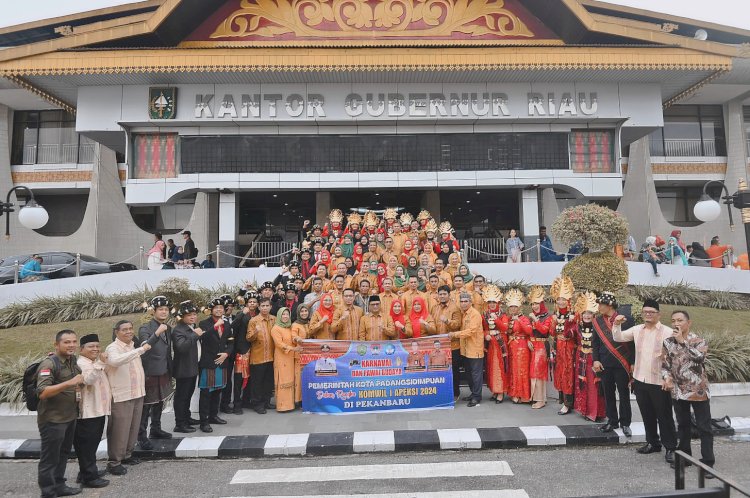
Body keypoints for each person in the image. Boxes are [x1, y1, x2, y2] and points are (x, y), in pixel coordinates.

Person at [614, 299, 677, 464]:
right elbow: (619, 337)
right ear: (642, 314)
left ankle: (670, 447)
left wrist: (670, 378)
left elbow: (675, 357)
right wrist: (616, 324)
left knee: (664, 416)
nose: (648, 314)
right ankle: (653, 443)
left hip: (659, 382)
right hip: (640, 380)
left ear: (658, 314)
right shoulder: (637, 330)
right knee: (647, 415)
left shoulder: (668, 332)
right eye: (645, 312)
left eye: (652, 312)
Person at [662, 310, 715, 475]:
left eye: (680, 320)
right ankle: (685, 457)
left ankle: (707, 462)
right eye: (673, 320)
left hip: (698, 390)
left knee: (704, 427)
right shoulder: (668, 342)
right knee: (683, 425)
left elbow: (700, 358)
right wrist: (667, 378)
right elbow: (665, 364)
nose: (676, 323)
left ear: (688, 323)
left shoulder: (699, 340)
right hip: (678, 391)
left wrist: (683, 342)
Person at [36, 330, 84, 498]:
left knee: (63, 454)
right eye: (66, 342)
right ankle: (48, 492)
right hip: (53, 420)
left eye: (74, 341)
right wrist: (70, 382)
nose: (71, 345)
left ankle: (59, 486)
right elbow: (43, 392)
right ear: (57, 345)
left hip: (69, 416)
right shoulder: (49, 364)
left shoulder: (72, 360)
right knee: (50, 458)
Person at [105, 320, 150, 476]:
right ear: (116, 332)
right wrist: (140, 350)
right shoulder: (113, 348)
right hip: (122, 395)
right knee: (119, 429)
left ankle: (127, 455)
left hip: (137, 392)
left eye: (131, 329)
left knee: (133, 427)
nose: (129, 332)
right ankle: (114, 462)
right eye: (125, 329)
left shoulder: (132, 346)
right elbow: (115, 361)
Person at [592, 292, 633, 437]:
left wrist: (632, 362)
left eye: (601, 304)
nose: (599, 307)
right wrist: (595, 360)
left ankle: (626, 423)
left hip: (622, 362)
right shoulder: (597, 321)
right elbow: (595, 343)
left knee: (623, 394)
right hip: (604, 363)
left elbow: (632, 343)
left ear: (609, 305)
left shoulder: (625, 319)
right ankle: (612, 420)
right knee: (608, 393)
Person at [74, 334, 110, 489]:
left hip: (98, 410)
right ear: (82, 349)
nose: (95, 349)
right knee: (86, 446)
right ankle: (89, 477)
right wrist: (101, 362)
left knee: (92, 444)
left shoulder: (93, 362)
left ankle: (85, 473)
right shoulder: (81, 364)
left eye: (97, 346)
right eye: (91, 346)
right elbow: (88, 380)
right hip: (87, 413)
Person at [137, 296, 173, 451]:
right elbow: (145, 346)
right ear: (154, 311)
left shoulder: (168, 328)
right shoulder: (145, 328)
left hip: (163, 369)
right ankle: (141, 436)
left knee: (160, 401)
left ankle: (156, 429)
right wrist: (157, 333)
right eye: (161, 309)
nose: (164, 312)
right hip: (149, 371)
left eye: (166, 309)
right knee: (147, 405)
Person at [197, 298, 234, 432]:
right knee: (206, 392)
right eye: (216, 308)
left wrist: (226, 354)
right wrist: (215, 327)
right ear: (211, 310)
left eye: (221, 308)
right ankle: (204, 421)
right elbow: (203, 338)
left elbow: (231, 342)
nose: (219, 310)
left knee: (218, 390)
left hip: (222, 362)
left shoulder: (227, 324)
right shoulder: (204, 323)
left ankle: (213, 415)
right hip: (208, 362)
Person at [573, 292, 606, 422]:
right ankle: (585, 411)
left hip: (594, 358)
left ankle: (596, 412)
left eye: (589, 313)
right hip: (581, 358)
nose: (587, 315)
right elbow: (567, 335)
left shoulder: (598, 327)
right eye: (584, 313)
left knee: (595, 386)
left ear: (594, 314)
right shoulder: (577, 327)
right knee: (583, 383)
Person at [171, 301, 204, 433]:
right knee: (182, 396)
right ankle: (180, 423)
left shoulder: (191, 327)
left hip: (192, 367)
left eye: (194, 314)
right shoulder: (179, 330)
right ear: (182, 317)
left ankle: (187, 417)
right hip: (183, 369)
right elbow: (182, 347)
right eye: (189, 315)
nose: (192, 317)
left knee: (188, 395)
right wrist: (195, 334)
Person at [450, 292, 484, 407]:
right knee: (469, 374)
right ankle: (473, 393)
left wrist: (455, 334)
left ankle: (477, 397)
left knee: (476, 374)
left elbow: (471, 331)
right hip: (465, 350)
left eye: (466, 301)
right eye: (462, 301)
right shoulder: (464, 314)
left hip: (475, 349)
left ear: (471, 302)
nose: (463, 304)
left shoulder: (475, 314)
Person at [550, 275, 577, 415]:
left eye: (563, 299)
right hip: (559, 349)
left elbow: (575, 332)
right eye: (559, 299)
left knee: (569, 374)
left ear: (568, 301)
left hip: (569, 349)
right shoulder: (555, 315)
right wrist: (554, 322)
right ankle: (563, 401)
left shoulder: (574, 315)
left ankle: (569, 403)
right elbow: (552, 333)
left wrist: (570, 324)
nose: (561, 302)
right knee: (560, 373)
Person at [500, 289, 532, 404]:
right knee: (513, 369)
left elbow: (529, 331)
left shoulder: (524, 318)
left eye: (515, 306)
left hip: (522, 347)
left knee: (521, 370)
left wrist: (518, 320)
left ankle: (522, 394)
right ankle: (514, 393)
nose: (513, 308)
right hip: (511, 346)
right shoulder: (508, 318)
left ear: (519, 307)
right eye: (511, 306)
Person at [431, 285, 462, 399]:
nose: (442, 296)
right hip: (438, 346)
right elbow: (432, 323)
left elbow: (457, 325)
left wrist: (447, 321)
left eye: (445, 294)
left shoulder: (455, 308)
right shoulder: (434, 308)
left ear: (449, 295)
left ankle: (455, 393)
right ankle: (441, 392)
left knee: (453, 370)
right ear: (438, 295)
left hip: (452, 346)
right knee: (439, 370)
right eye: (440, 294)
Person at [230, 290, 258, 413]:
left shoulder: (259, 314)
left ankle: (247, 401)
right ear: (246, 303)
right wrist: (241, 314)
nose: (252, 304)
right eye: (250, 302)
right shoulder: (240, 314)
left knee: (252, 378)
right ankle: (237, 403)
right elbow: (233, 328)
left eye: (254, 302)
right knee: (239, 379)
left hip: (256, 351)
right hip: (242, 351)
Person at [247, 298, 276, 414]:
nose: (264, 308)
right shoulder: (253, 321)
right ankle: (257, 404)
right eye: (262, 306)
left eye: (266, 305)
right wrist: (255, 332)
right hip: (258, 357)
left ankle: (267, 402)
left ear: (270, 307)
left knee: (268, 382)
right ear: (259, 307)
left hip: (272, 356)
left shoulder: (274, 319)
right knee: (257, 382)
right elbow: (248, 338)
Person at [270, 308, 302, 412]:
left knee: (290, 380)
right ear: (279, 316)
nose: (285, 316)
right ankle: (282, 405)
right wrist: (294, 349)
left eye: (287, 314)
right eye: (283, 314)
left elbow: (293, 338)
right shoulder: (276, 328)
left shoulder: (289, 327)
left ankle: (290, 404)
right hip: (281, 358)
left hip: (290, 358)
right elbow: (279, 344)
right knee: (282, 380)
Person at [482, 285, 508, 404]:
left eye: (494, 302)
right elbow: (483, 328)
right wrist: (485, 334)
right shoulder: (485, 315)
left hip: (500, 343)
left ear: (498, 303)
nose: (492, 304)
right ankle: (494, 390)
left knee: (499, 367)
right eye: (490, 302)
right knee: (491, 366)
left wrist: (496, 319)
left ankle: (501, 391)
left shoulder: (503, 315)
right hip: (490, 344)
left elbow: (505, 328)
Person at [528, 286, 552, 410]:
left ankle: (540, 399)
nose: (534, 306)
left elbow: (544, 331)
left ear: (542, 303)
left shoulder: (548, 317)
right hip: (534, 346)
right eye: (532, 304)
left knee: (539, 373)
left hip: (542, 346)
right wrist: (528, 340)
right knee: (533, 372)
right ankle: (536, 397)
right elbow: (530, 332)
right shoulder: (535, 316)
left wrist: (535, 319)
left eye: (537, 303)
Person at [291, 304, 311, 406]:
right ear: (298, 313)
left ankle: (307, 398)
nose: (304, 313)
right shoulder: (295, 324)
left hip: (309, 355)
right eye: (302, 311)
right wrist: (297, 339)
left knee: (308, 377)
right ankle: (298, 400)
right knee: (299, 378)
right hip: (299, 354)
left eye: (306, 311)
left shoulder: (309, 322)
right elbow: (293, 336)